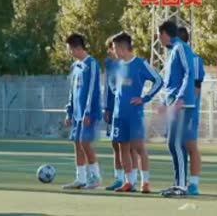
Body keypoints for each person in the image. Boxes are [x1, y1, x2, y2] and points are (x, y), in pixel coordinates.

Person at [109, 32, 163, 193]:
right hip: (119, 115)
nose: (113, 52)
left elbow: (159, 80)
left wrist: (144, 98)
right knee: (122, 147)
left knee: (138, 147)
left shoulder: (140, 64)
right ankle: (129, 182)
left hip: (134, 114)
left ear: (122, 48)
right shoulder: (117, 66)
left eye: (114, 48)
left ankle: (145, 182)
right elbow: (114, 86)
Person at [157, 21, 196, 197]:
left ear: (165, 34)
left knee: (176, 144)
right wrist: (165, 103)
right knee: (173, 144)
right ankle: (178, 184)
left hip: (183, 104)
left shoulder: (180, 48)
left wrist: (180, 97)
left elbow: (189, 73)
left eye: (159, 35)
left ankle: (181, 186)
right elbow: (171, 82)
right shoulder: (172, 50)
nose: (158, 39)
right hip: (174, 103)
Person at [63, 33, 102, 190]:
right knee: (77, 143)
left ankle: (95, 177)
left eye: (69, 49)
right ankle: (80, 178)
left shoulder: (91, 64)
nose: (69, 52)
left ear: (77, 48)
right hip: (77, 113)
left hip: (89, 113)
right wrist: (69, 111)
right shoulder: (75, 66)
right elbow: (73, 91)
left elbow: (92, 89)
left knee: (85, 143)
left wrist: (87, 112)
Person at [104, 35, 140, 191]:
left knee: (130, 146)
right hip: (114, 111)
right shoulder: (112, 66)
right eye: (111, 48)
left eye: (114, 47)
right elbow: (110, 90)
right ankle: (119, 178)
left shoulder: (132, 65)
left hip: (128, 112)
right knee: (116, 145)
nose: (112, 51)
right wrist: (107, 108)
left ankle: (132, 179)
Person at [178, 27, 205, 195]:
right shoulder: (175, 59)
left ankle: (194, 183)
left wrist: (186, 107)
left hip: (188, 112)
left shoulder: (194, 59)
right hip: (177, 110)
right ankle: (180, 181)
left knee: (190, 146)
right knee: (177, 147)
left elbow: (196, 86)